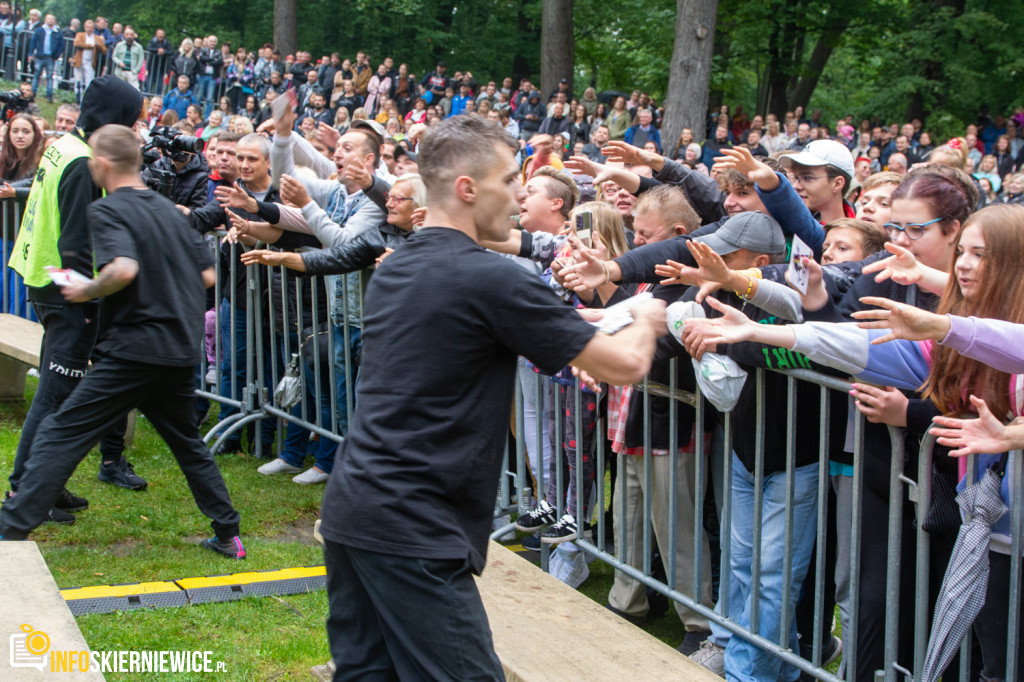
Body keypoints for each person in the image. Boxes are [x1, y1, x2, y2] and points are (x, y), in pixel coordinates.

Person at [319, 112, 666, 681]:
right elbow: (624, 364)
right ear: (466, 187)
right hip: (415, 524)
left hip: (356, 508)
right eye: (510, 181)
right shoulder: (493, 280)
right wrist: (649, 314)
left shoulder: (398, 265)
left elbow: (491, 253)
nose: (519, 191)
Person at [0, 124, 245, 559]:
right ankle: (228, 534)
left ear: (104, 164)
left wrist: (85, 289)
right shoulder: (172, 211)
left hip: (135, 349)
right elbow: (207, 275)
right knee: (187, 444)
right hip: (178, 349)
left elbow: (123, 270)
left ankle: (10, 529)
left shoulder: (108, 210)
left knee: (62, 430)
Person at [7, 76, 152, 527]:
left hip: (48, 282)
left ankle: (42, 481)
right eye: (132, 118)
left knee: (58, 394)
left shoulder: (64, 145)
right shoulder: (83, 162)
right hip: (68, 291)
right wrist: (89, 299)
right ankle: (27, 491)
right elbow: (75, 240)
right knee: (54, 397)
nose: (136, 126)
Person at [28, 13, 62, 103]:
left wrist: (56, 56)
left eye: (52, 19)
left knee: (49, 76)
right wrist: (30, 54)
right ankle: (32, 93)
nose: (50, 20)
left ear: (54, 21)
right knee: (36, 75)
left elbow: (61, 46)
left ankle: (49, 95)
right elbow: (33, 42)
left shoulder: (57, 32)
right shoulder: (39, 30)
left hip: (50, 57)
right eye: (48, 19)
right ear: (45, 20)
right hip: (39, 56)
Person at [71, 19, 105, 97]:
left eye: (91, 27)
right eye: (88, 27)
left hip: (90, 62)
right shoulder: (80, 35)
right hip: (79, 61)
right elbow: (77, 43)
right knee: (78, 81)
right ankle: (78, 98)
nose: (89, 29)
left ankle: (87, 99)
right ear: (85, 27)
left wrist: (97, 45)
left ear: (94, 28)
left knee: (89, 82)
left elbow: (104, 50)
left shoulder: (97, 38)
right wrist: (90, 45)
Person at [111, 26, 144, 90]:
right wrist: (119, 62)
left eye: (131, 34)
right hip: (120, 72)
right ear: (124, 35)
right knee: (117, 89)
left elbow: (141, 60)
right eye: (127, 34)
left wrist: (136, 70)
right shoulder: (119, 45)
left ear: (134, 35)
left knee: (136, 90)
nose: (129, 36)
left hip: (132, 72)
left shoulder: (139, 47)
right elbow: (114, 56)